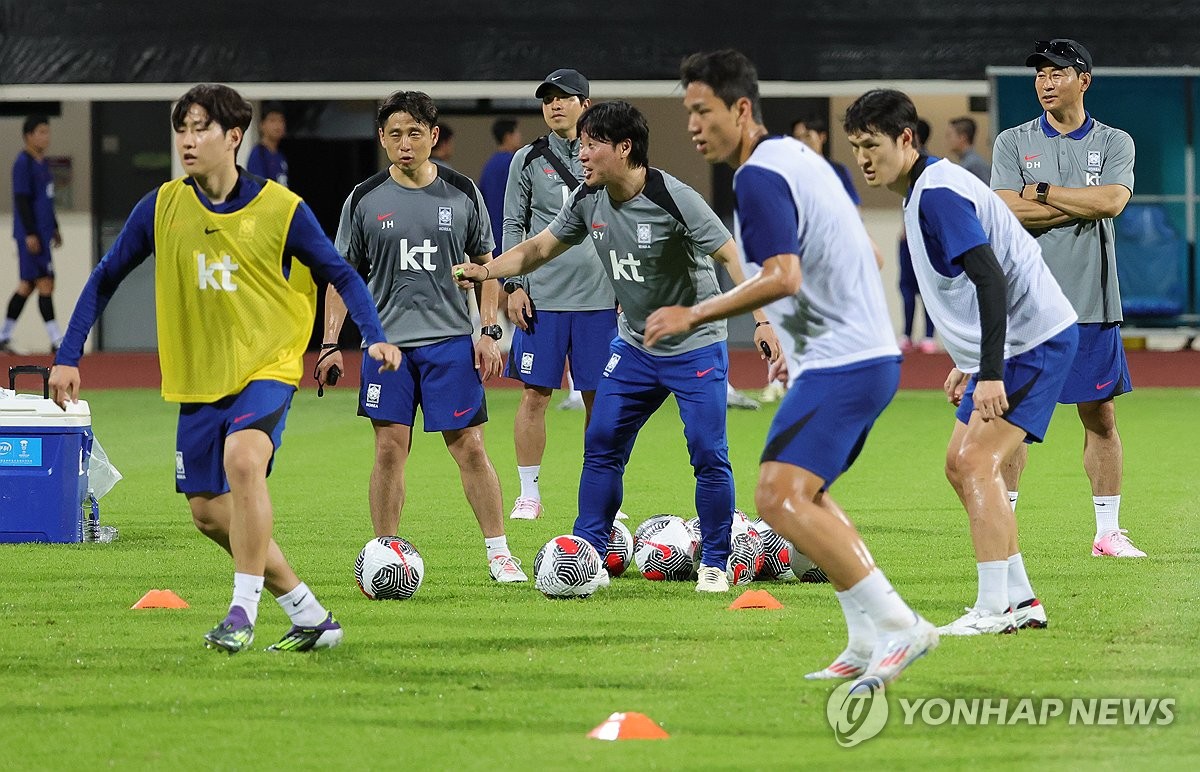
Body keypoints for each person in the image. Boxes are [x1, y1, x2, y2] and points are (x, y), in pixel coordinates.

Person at [47, 84, 402, 654]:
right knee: (209, 514)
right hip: (201, 377)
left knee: (244, 459)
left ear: (234, 137)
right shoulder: (162, 207)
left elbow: (341, 272)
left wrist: (375, 338)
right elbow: (104, 276)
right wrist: (68, 357)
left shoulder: (281, 209)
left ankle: (242, 611)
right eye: (181, 130)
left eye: (200, 129)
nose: (187, 141)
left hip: (269, 364)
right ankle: (308, 613)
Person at [651, 49, 935, 687]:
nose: (694, 125)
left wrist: (694, 315)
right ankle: (864, 639)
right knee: (808, 496)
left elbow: (782, 275)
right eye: (688, 112)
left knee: (777, 497)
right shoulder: (799, 159)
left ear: (741, 108)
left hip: (846, 361)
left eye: (703, 110)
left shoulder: (756, 176)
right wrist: (790, 333)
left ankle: (899, 623)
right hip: (852, 355)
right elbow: (865, 252)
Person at [457, 100, 778, 593]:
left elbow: (732, 255)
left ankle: (714, 560)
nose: (581, 155)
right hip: (634, 345)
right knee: (602, 441)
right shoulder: (587, 199)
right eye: (580, 145)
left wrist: (761, 319)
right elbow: (539, 248)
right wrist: (489, 271)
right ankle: (587, 552)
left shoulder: (675, 196)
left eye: (591, 145)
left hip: (694, 346)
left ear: (624, 148)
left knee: (707, 453)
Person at [844, 88, 1081, 636]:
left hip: (1033, 342)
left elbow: (990, 278)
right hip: (1018, 343)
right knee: (961, 463)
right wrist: (973, 359)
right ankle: (1020, 602)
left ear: (906, 139)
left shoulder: (937, 194)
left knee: (976, 464)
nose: (863, 158)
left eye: (872, 144)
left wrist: (990, 370)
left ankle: (994, 609)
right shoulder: (923, 188)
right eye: (856, 145)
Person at [316, 90, 527, 583]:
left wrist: (489, 331)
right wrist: (330, 342)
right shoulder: (364, 199)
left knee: (470, 447)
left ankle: (499, 553)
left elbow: (487, 267)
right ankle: (384, 553)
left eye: (415, 133)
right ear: (382, 140)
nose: (405, 143)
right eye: (395, 134)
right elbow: (342, 275)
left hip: (451, 342)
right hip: (385, 347)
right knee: (390, 449)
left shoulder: (462, 192)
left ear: (433, 136)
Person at [991, 39, 1144, 558]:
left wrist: (1039, 192)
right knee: (1012, 422)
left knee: (1099, 417)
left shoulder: (1115, 141)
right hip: (1027, 306)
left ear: (1084, 80)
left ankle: (1107, 533)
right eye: (1040, 75)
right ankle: (1002, 528)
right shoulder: (1012, 142)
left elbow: (1112, 201)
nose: (1046, 82)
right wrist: (1076, 204)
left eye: (1057, 73)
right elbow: (1004, 210)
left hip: (1092, 303)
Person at [499, 69, 619, 521]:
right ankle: (529, 493)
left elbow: (624, 223)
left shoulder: (608, 158)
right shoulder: (527, 159)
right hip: (542, 299)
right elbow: (512, 224)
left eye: (564, 97)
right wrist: (513, 285)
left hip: (599, 299)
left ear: (585, 104)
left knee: (599, 398)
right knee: (535, 396)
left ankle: (599, 493)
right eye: (547, 99)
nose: (554, 105)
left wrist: (626, 288)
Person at [3, 115, 63, 353]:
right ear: (28, 136)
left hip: (44, 233)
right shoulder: (23, 163)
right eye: (41, 132)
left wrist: (55, 227)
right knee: (46, 282)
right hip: (31, 235)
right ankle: (57, 338)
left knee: (27, 285)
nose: (46, 137)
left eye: (47, 132)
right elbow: (22, 200)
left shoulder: (43, 163)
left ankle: (3, 335)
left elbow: (47, 200)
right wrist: (29, 233)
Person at [897, 116, 937, 354]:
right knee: (906, 287)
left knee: (928, 287)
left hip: (926, 237)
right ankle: (907, 333)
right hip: (907, 236)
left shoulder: (929, 166)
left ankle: (929, 335)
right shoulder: (905, 163)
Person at [790, 115, 861, 205]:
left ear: (822, 137)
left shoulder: (838, 170)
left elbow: (853, 205)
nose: (802, 142)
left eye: (807, 136)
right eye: (797, 138)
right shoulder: (792, 172)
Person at [480, 118, 522, 257]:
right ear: (508, 136)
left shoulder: (489, 165)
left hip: (490, 231)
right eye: (517, 133)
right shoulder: (513, 162)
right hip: (509, 230)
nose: (519, 137)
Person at [246, 102, 289, 186]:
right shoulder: (258, 154)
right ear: (262, 125)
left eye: (281, 120)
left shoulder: (280, 155)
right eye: (272, 120)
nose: (277, 125)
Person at [945, 117, 990, 183]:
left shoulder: (973, 164)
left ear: (962, 137)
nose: (947, 140)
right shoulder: (968, 162)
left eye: (950, 135)